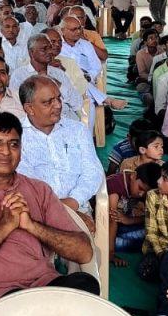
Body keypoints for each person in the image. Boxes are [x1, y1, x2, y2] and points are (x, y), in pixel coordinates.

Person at [0, 112, 97, 316]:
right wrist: (4, 226)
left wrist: (31, 225)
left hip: (43, 288)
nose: (5, 151)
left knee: (85, 283)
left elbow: (84, 252)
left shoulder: (40, 190)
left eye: (13, 144)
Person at [16, 76, 104, 226]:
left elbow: (93, 172)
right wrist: (59, 210)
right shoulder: (16, 138)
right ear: (29, 108)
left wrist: (74, 202)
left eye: (58, 98)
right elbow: (25, 184)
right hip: (36, 215)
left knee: (82, 245)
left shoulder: (77, 130)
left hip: (78, 208)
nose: (57, 105)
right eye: (48, 102)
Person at [12, 35, 83, 121]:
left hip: (67, 121)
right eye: (44, 49)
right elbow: (19, 108)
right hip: (39, 125)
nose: (50, 51)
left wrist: (57, 83)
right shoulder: (19, 75)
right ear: (31, 52)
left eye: (50, 48)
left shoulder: (58, 73)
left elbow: (78, 103)